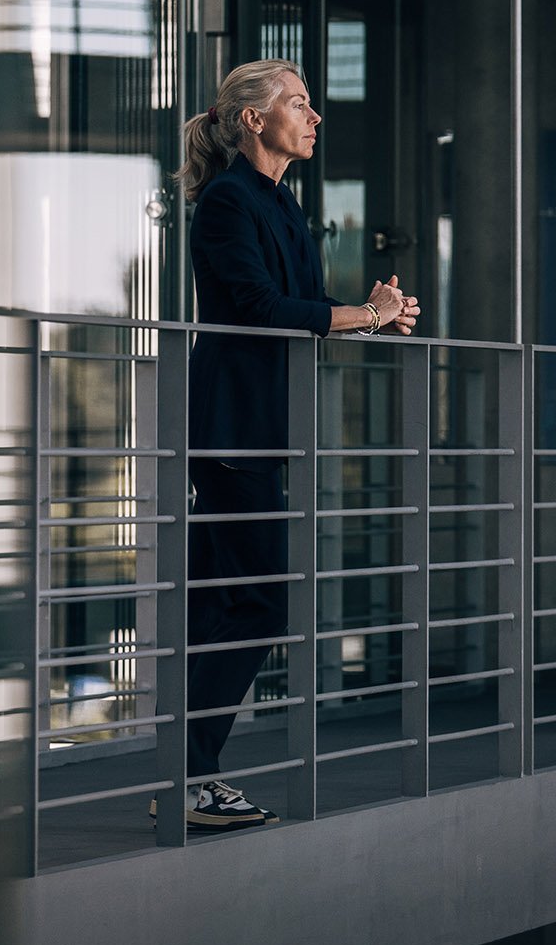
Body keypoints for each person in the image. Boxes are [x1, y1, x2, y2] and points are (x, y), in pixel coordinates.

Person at [176, 60, 419, 831]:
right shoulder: (226, 201)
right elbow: (261, 307)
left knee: (226, 601)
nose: (315, 118)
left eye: (311, 106)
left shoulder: (280, 202)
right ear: (254, 119)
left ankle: (185, 774)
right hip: (231, 430)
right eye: (299, 105)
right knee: (258, 599)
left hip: (260, 431)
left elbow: (303, 308)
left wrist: (371, 313)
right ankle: (188, 777)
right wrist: (367, 316)